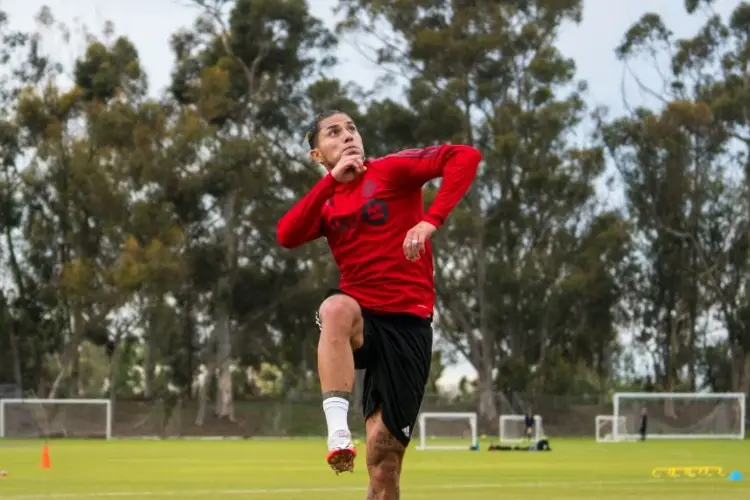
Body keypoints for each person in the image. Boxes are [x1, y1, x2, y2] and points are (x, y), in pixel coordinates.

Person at [276, 110, 481, 497]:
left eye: (351, 128)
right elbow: (287, 235)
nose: (348, 136)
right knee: (334, 309)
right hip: (362, 319)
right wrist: (330, 184)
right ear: (317, 155)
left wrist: (430, 221)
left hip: (408, 326)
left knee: (384, 466)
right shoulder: (326, 200)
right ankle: (338, 433)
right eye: (333, 133)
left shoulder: (392, 170)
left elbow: (465, 156)